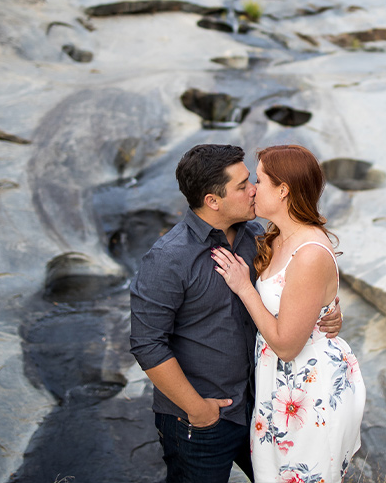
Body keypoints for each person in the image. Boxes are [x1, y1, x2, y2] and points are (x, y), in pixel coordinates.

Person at [129, 144, 342, 483]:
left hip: (262, 406)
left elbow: (296, 285)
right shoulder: (169, 258)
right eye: (243, 186)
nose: (254, 190)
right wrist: (199, 410)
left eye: (252, 180)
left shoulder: (259, 236)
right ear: (213, 201)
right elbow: (147, 344)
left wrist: (326, 310)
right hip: (202, 419)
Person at [212, 144, 365, 483]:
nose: (252, 189)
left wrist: (244, 287)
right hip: (278, 388)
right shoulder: (276, 237)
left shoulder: (309, 252)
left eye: (260, 181)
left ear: (283, 190)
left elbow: (286, 346)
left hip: (308, 393)